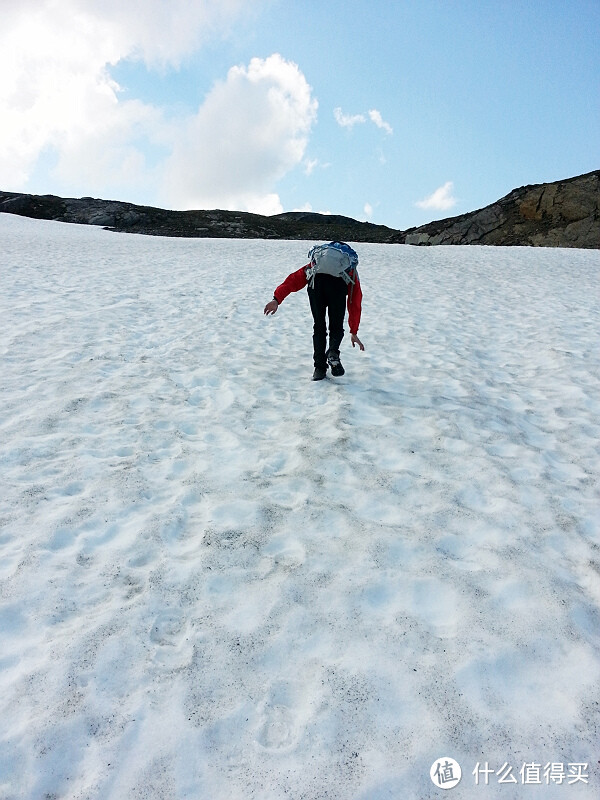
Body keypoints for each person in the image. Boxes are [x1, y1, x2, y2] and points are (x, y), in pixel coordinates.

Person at [264, 246, 365, 380]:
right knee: (336, 327)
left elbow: (294, 280)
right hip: (338, 288)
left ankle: (319, 368)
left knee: (319, 326)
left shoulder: (317, 263)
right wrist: (353, 331)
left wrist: (276, 299)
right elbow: (355, 300)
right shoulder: (348, 268)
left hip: (316, 285)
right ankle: (333, 352)